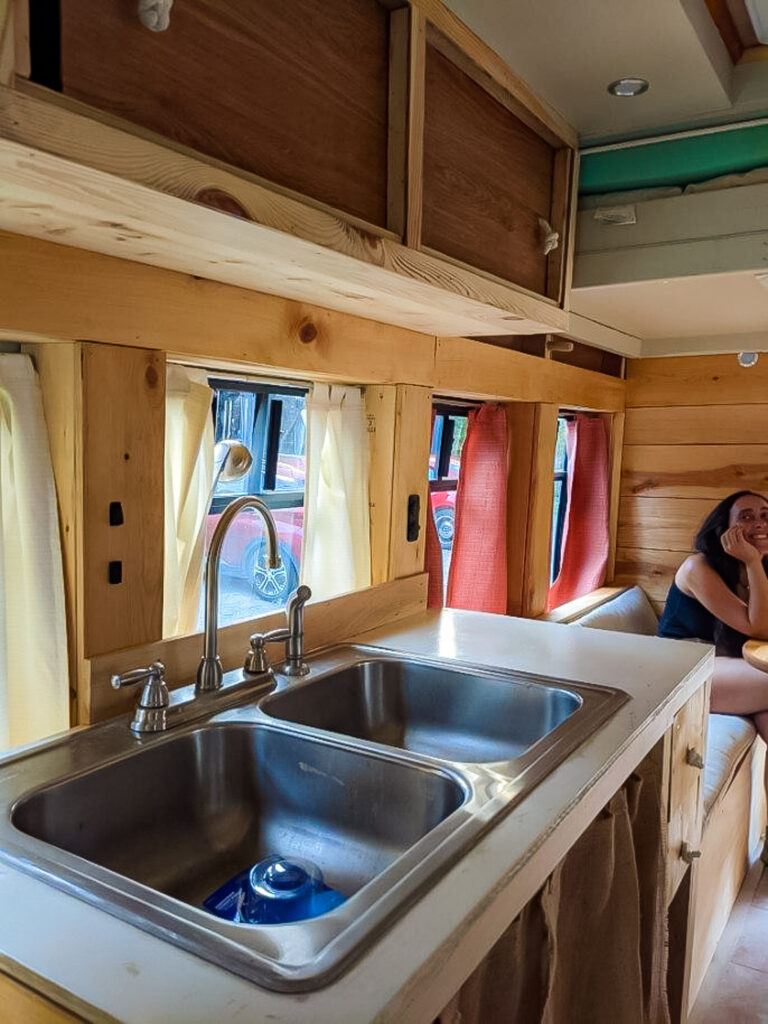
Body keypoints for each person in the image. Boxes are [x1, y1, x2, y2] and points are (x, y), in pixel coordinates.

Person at [658, 490, 768, 750]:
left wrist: (755, 565)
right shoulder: (697, 568)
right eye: (746, 516)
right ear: (724, 529)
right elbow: (760, 628)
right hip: (683, 670)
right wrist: (753, 561)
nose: (760, 523)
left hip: (728, 665)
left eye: (765, 516)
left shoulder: (758, 571)